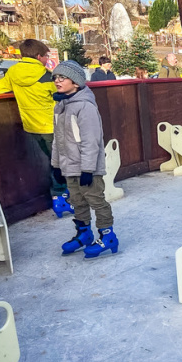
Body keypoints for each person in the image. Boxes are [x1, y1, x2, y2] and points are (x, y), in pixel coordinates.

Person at [0, 39, 72, 217]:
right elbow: (62, 93)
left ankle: (61, 195)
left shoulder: (13, 72)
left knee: (54, 160)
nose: (47, 59)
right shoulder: (46, 75)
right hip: (51, 125)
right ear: (38, 56)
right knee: (60, 161)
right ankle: (60, 197)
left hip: (32, 126)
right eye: (46, 56)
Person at [50, 60, 119, 258]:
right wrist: (56, 165)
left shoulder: (85, 107)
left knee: (96, 201)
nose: (57, 81)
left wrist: (88, 170)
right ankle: (84, 233)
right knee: (77, 201)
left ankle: (108, 236)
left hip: (87, 168)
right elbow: (58, 139)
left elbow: (91, 141)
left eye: (62, 77)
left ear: (76, 82)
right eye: (55, 77)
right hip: (68, 166)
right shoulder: (60, 106)